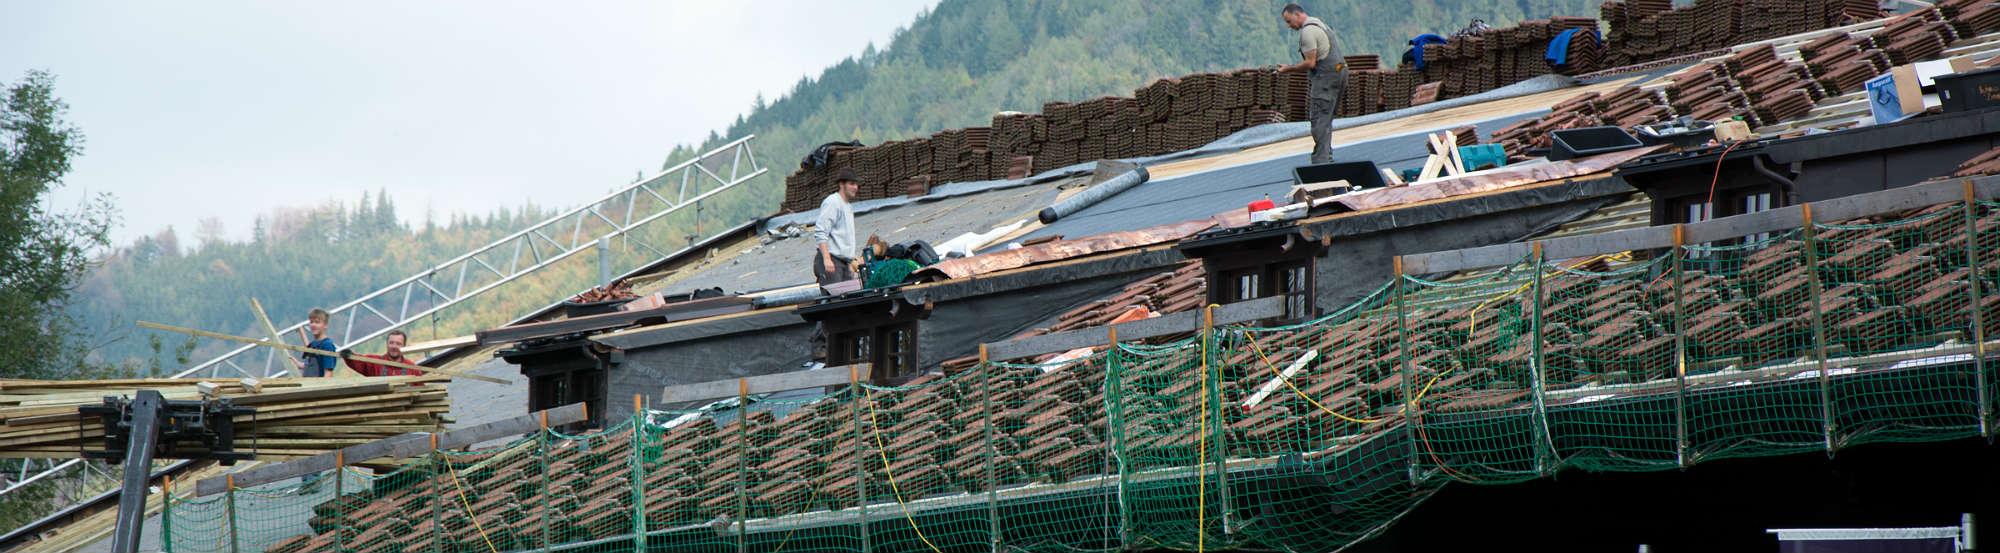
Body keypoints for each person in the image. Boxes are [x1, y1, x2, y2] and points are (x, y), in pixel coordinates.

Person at [1279, 3, 1346, 165]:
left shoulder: (1307, 32)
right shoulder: (1319, 23)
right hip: (1340, 72)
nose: (1290, 26)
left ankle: (1321, 161)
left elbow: (1310, 63)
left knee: (1319, 119)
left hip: (1326, 78)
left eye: (1289, 21)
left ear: (1297, 15)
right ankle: (1326, 156)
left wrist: (1289, 68)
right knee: (1327, 117)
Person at [813, 170, 862, 288]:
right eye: (851, 184)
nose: (855, 187)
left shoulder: (848, 207)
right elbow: (821, 232)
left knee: (849, 300)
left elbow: (846, 237)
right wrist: (826, 259)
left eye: (856, 184)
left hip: (844, 263)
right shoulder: (833, 202)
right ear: (841, 184)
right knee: (834, 300)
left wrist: (850, 262)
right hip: (832, 261)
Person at [341, 329, 419, 377]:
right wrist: (349, 356)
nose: (394, 346)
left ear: (404, 346)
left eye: (398, 344)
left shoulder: (412, 368)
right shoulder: (375, 362)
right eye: (391, 343)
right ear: (387, 344)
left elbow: (419, 389)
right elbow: (359, 362)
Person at [293, 308, 338, 377]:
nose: (313, 325)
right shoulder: (313, 344)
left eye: (317, 322)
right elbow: (313, 365)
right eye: (311, 322)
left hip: (318, 385)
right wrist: (300, 365)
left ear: (325, 325)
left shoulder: (327, 345)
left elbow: (328, 373)